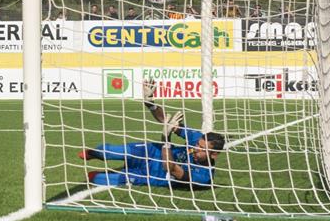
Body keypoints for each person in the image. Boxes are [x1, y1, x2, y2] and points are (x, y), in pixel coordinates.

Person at [78, 80, 225, 188]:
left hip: (151, 176)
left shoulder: (204, 177)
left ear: (214, 155)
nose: (196, 148)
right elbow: (165, 121)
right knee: (106, 152)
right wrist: (151, 103)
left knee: (96, 179)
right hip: (150, 152)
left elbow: (172, 169)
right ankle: (92, 153)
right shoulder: (196, 137)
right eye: (198, 145)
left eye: (202, 149)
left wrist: (166, 138)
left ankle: (106, 172)